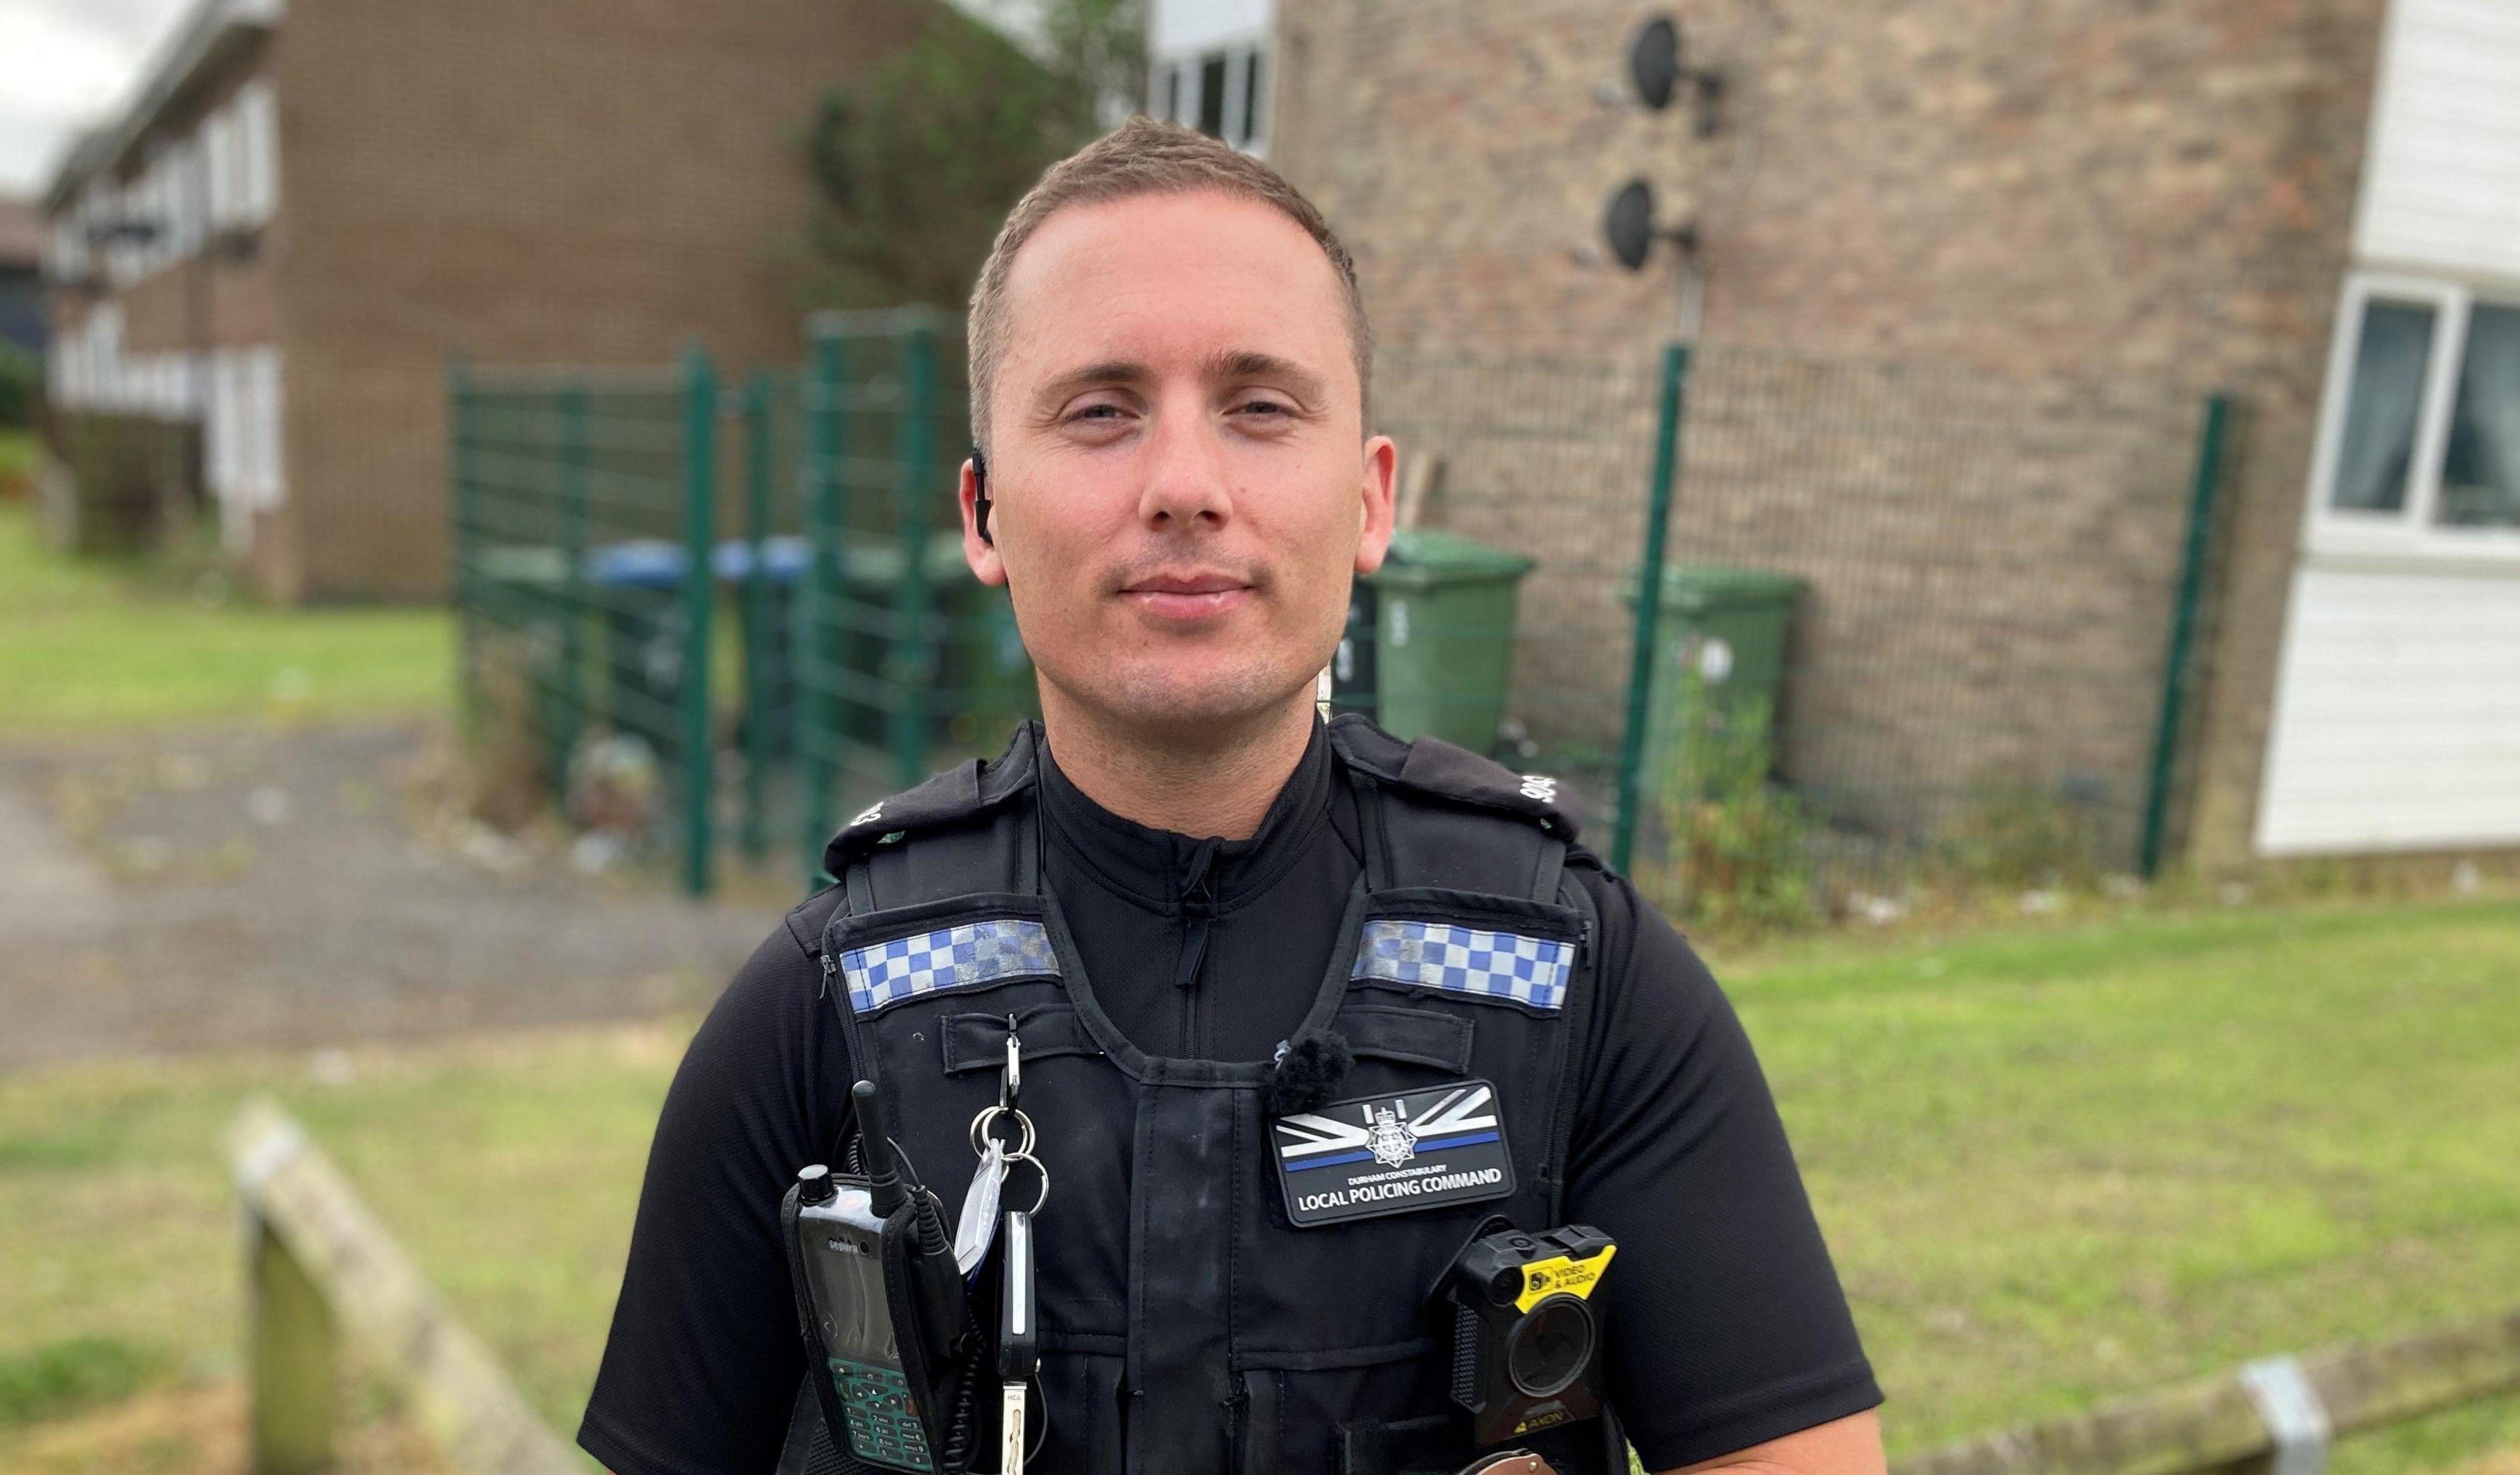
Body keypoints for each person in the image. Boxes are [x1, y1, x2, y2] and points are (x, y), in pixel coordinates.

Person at [579, 118, 1884, 1475]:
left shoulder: (1586, 983)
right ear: (980, 517)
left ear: (1372, 500)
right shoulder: (822, 1011)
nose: (1186, 487)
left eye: (1261, 407)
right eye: (1100, 411)